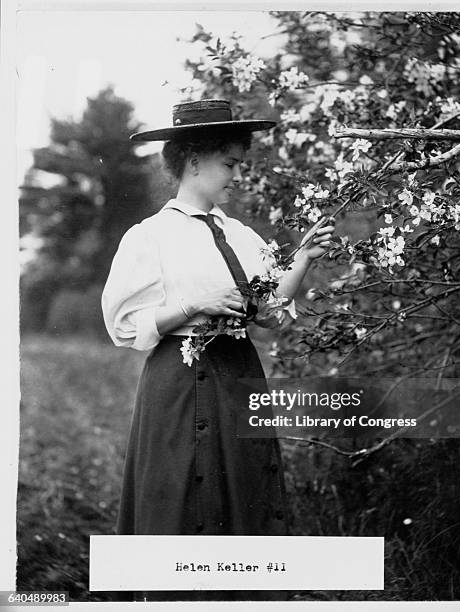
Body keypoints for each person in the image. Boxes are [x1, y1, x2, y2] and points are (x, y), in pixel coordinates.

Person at [101, 99, 334, 601]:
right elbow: (123, 326)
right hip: (178, 384)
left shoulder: (239, 234)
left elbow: (268, 308)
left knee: (243, 493)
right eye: (230, 163)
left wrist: (305, 259)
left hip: (238, 376)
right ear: (193, 162)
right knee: (182, 493)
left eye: (240, 164)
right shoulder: (150, 236)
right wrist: (193, 303)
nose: (238, 175)